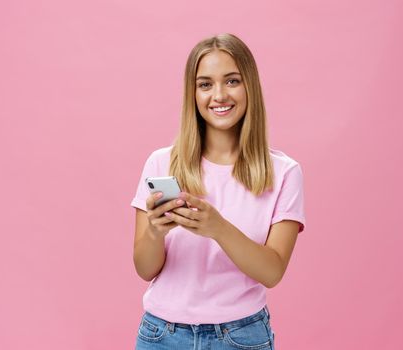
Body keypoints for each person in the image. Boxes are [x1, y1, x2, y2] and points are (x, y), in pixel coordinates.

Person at [130, 33, 306, 350]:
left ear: (249, 86)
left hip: (241, 337)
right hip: (161, 336)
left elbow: (272, 272)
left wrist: (218, 228)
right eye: (205, 84)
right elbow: (145, 269)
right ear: (193, 93)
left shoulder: (284, 173)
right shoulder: (161, 162)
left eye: (232, 81)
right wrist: (156, 233)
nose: (219, 95)